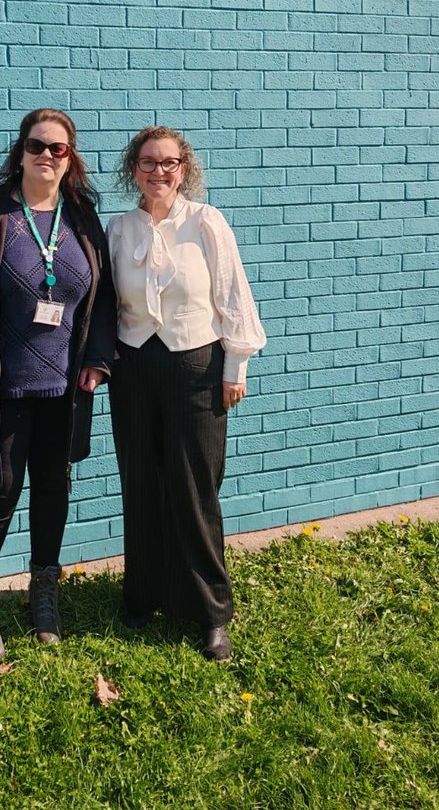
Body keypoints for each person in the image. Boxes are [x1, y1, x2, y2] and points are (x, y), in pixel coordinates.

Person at [0, 108, 116, 660]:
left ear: (70, 158)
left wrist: (99, 360)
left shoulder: (81, 216)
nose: (47, 156)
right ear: (20, 150)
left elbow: (103, 300)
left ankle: (44, 591)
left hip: (63, 387)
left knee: (54, 488)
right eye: (37, 145)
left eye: (59, 149)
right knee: (0, 490)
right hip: (1, 387)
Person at [107, 126, 266, 662]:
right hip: (133, 365)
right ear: (134, 169)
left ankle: (210, 613)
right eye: (148, 162)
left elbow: (232, 291)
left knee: (196, 488)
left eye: (169, 162)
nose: (159, 171)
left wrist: (235, 364)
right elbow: (108, 304)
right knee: (142, 483)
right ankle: (143, 596)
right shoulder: (120, 229)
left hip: (197, 363)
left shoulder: (206, 222)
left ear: (184, 168)